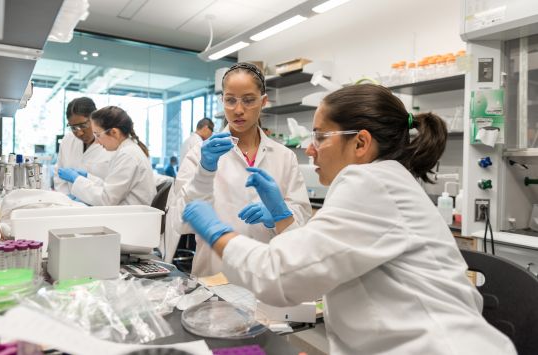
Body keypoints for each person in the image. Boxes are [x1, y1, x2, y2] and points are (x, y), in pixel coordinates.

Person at [181, 84, 517, 354]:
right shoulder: (383, 180)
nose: (309, 149)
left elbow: (281, 275)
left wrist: (216, 231)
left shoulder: (371, 183)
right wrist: (284, 219)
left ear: (360, 143)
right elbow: (317, 258)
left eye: (320, 137)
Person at [166, 62, 312, 274]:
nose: (238, 110)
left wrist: (277, 215)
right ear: (222, 101)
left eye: (249, 100)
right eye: (230, 100)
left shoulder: (284, 156)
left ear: (263, 102)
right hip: (215, 274)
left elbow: (301, 225)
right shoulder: (199, 154)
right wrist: (204, 172)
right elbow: (180, 222)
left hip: (268, 276)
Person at [58, 106, 156, 206]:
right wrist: (88, 177)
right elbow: (111, 188)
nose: (96, 142)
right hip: (128, 214)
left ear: (114, 132)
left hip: (130, 218)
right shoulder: (127, 150)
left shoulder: (127, 155)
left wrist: (77, 180)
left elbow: (107, 199)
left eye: (98, 135)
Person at [54, 97, 113, 194]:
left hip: (100, 206)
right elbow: (59, 174)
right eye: (73, 127)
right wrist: (65, 198)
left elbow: (113, 187)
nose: (79, 132)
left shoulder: (111, 145)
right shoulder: (67, 140)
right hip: (69, 204)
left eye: (83, 125)